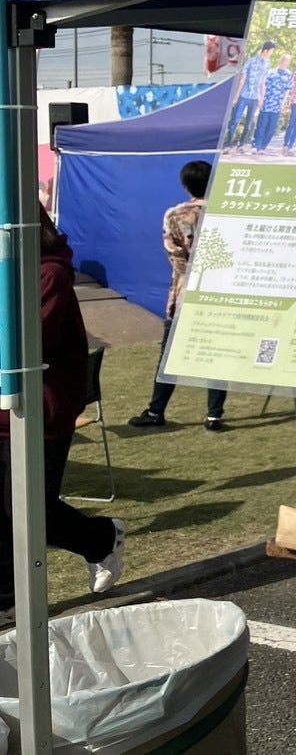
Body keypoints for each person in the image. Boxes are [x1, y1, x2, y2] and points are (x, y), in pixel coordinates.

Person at [1, 208, 126, 623]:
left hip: (39, 413)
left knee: (27, 508)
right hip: (6, 409)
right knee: (7, 511)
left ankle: (101, 538)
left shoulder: (48, 275)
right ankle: (7, 599)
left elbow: (28, 345)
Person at [129, 160, 228, 431]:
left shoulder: (175, 214)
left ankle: (156, 410)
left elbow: (175, 255)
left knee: (170, 355)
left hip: (186, 294)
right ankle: (214, 415)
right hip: (220, 293)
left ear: (185, 185)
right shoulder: (226, 213)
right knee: (217, 353)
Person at [226, 40, 273, 151]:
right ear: (265, 50)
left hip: (254, 97)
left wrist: (261, 97)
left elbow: (263, 82)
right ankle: (228, 145)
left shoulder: (267, 64)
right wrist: (236, 96)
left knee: (248, 123)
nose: (271, 53)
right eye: (271, 51)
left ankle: (241, 145)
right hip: (243, 95)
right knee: (235, 121)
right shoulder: (251, 61)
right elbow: (242, 79)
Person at [252, 49, 293, 153]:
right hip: (266, 103)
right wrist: (260, 99)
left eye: (287, 61)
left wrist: (284, 102)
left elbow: (287, 90)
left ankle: (263, 147)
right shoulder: (270, 72)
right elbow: (263, 86)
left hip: (277, 106)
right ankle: (256, 145)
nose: (285, 63)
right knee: (261, 126)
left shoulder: (288, 74)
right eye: (284, 60)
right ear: (280, 61)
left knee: (271, 129)